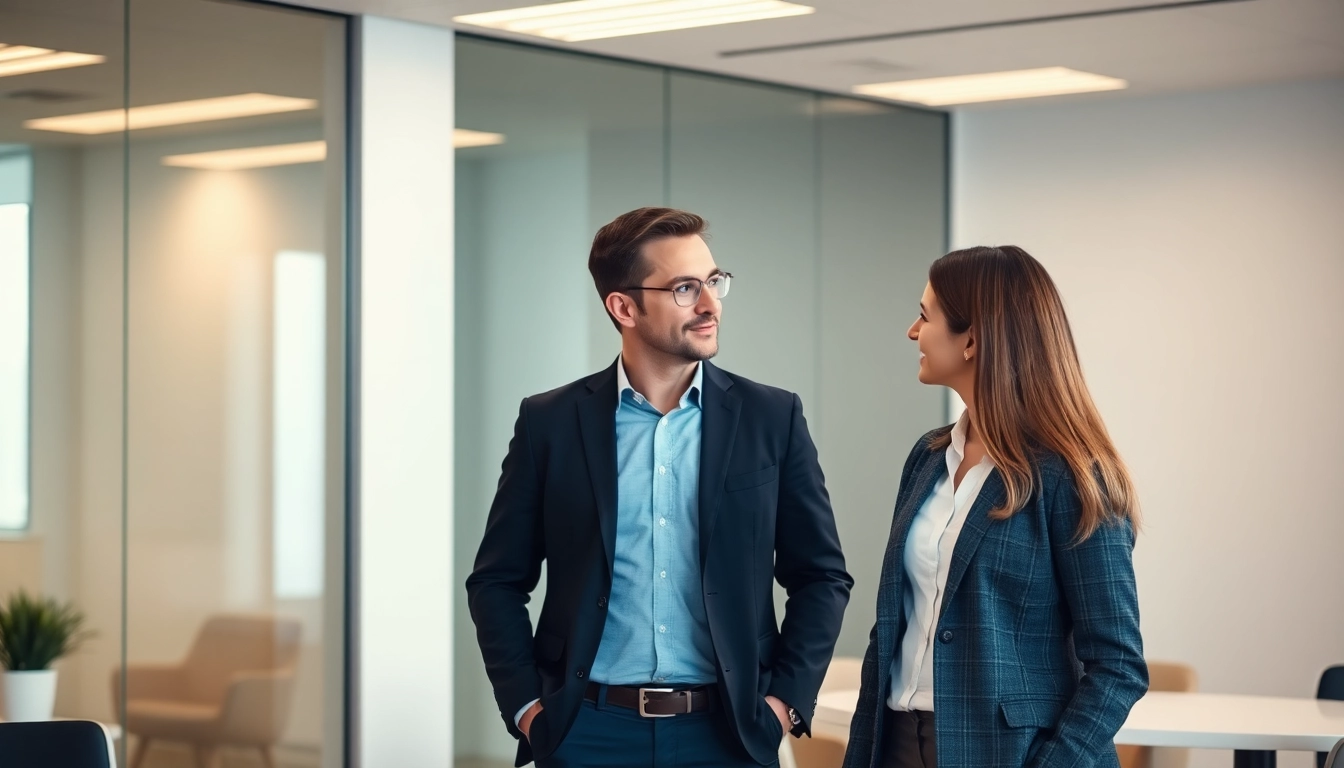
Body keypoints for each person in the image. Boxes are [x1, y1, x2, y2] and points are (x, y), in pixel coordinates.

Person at [466, 207, 852, 768]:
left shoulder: (772, 417)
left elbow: (821, 575)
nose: (710, 304)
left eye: (714, 282)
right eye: (684, 288)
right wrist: (528, 706)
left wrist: (782, 703)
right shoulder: (550, 423)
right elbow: (496, 581)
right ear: (623, 307)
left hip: (728, 736)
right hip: (585, 731)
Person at [842, 245, 1148, 768]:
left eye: (924, 316)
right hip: (894, 740)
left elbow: (1118, 665)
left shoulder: (1072, 474)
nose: (912, 332)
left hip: (1010, 753)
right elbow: (892, 624)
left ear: (973, 340)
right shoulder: (927, 456)